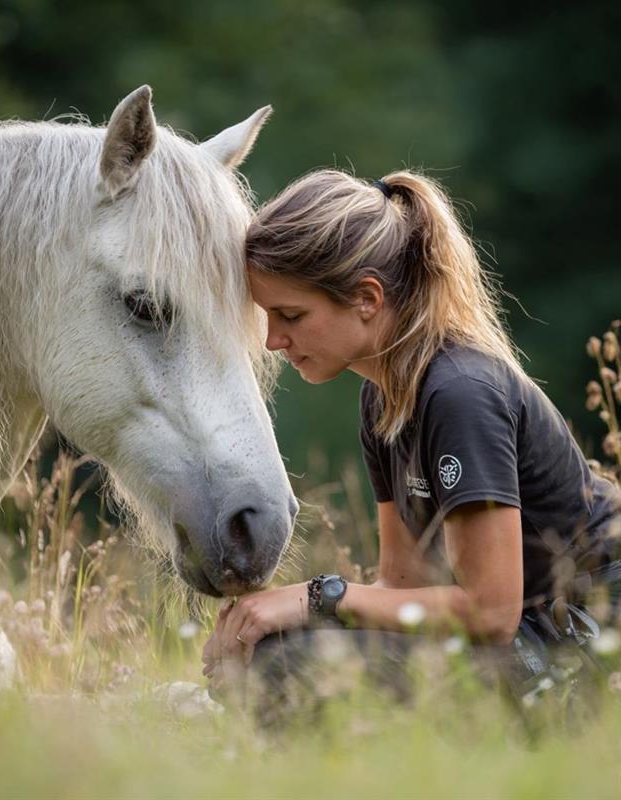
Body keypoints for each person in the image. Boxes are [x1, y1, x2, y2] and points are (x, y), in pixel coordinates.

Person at [202, 168, 621, 706]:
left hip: (588, 643)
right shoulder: (382, 397)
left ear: (367, 298)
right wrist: (274, 615)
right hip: (529, 633)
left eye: (291, 315)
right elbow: (402, 591)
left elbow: (490, 614)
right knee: (280, 648)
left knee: (292, 664)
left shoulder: (459, 393)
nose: (273, 339)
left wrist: (315, 597)